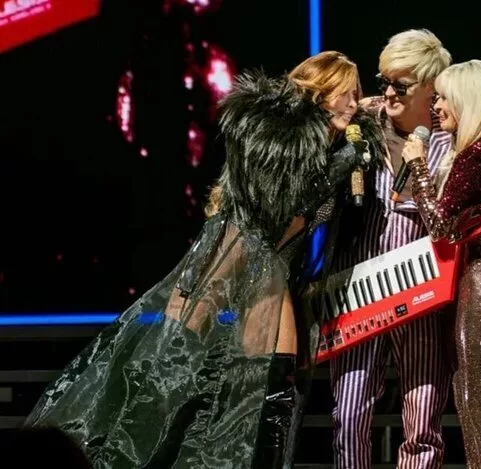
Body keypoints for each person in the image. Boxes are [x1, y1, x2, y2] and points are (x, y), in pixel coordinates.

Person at [24, 51, 384, 469]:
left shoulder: (338, 145)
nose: (353, 102)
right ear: (319, 92)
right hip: (229, 258)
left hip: (273, 269)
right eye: (344, 92)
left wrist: (366, 136)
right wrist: (346, 158)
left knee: (271, 388)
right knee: (172, 364)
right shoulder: (275, 137)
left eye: (357, 93)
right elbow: (285, 204)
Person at [327, 29, 454, 469]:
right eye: (384, 82)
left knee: (423, 421)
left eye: (400, 85)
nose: (388, 93)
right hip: (359, 289)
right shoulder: (362, 123)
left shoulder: (451, 137)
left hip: (422, 291)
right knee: (348, 415)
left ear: (431, 86)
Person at [402, 59, 481, 469]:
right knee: (472, 391)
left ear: (469, 101)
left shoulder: (478, 152)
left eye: (444, 97)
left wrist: (417, 165)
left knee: (478, 394)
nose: (436, 105)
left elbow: (440, 225)